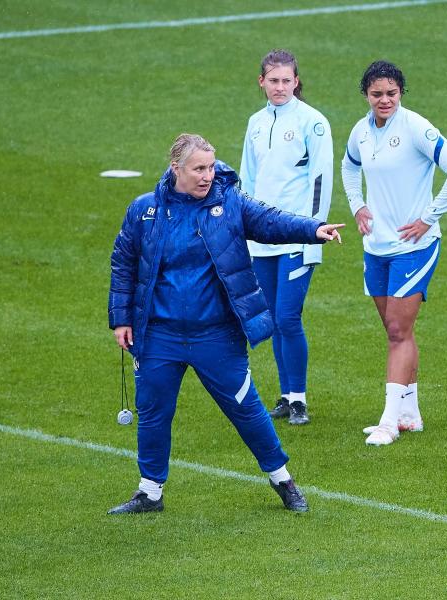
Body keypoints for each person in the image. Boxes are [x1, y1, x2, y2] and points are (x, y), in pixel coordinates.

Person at [108, 134, 344, 514]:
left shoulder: (228, 202)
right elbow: (123, 263)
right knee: (152, 412)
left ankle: (283, 480)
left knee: (246, 409)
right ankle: (149, 492)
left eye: (211, 167)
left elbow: (270, 221)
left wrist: (311, 229)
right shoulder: (144, 211)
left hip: (215, 334)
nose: (207, 175)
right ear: (176, 169)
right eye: (199, 168)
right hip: (159, 335)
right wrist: (120, 319)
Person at [341, 60, 447, 446]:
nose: (385, 100)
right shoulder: (360, 132)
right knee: (396, 330)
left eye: (392, 94)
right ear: (366, 94)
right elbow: (349, 167)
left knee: (398, 331)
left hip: (414, 246)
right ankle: (410, 414)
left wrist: (429, 217)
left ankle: (388, 420)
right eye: (377, 94)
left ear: (401, 93)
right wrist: (357, 205)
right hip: (376, 245)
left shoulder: (415, 127)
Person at [240, 49, 334, 426]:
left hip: (298, 237)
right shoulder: (255, 123)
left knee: (288, 316)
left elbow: (321, 179)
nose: (280, 87)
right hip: (261, 239)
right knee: (273, 320)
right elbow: (246, 180)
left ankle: (299, 399)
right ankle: (284, 394)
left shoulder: (314, 123)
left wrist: (313, 230)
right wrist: (243, 230)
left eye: (286, 80)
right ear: (261, 81)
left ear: (297, 82)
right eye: (273, 80)